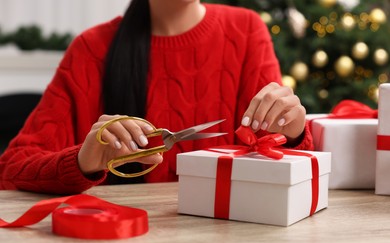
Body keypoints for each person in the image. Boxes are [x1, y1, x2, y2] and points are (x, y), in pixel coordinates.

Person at [0, 0, 313, 194]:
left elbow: (283, 167)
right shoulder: (91, 50)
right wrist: (83, 161)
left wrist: (295, 132)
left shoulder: (247, 31)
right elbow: (10, 170)